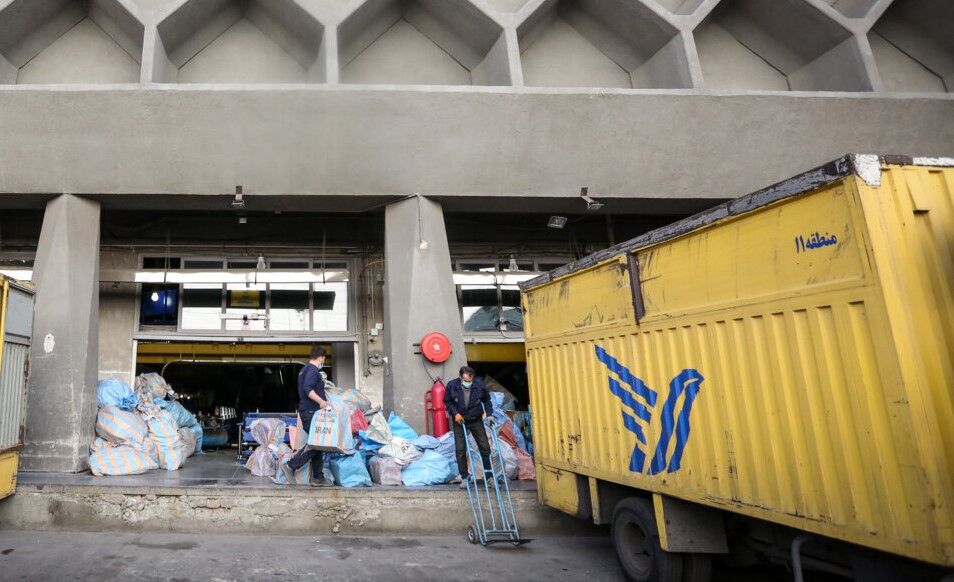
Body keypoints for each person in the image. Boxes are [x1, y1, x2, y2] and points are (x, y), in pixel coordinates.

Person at [282, 346, 334, 487]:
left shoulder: (303, 370)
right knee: (317, 443)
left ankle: (318, 477)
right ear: (321, 357)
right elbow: (308, 389)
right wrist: (322, 402)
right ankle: (291, 465)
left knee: (317, 444)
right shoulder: (312, 370)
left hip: (307, 412)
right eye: (323, 358)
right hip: (311, 412)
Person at [444, 365, 494, 489]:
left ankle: (489, 476)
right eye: (466, 381)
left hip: (475, 419)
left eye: (470, 381)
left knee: (485, 447)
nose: (468, 383)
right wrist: (455, 413)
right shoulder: (452, 385)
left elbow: (487, 400)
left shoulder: (479, 385)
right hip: (459, 420)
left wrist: (489, 414)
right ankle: (465, 477)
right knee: (461, 449)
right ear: (460, 377)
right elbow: (447, 401)